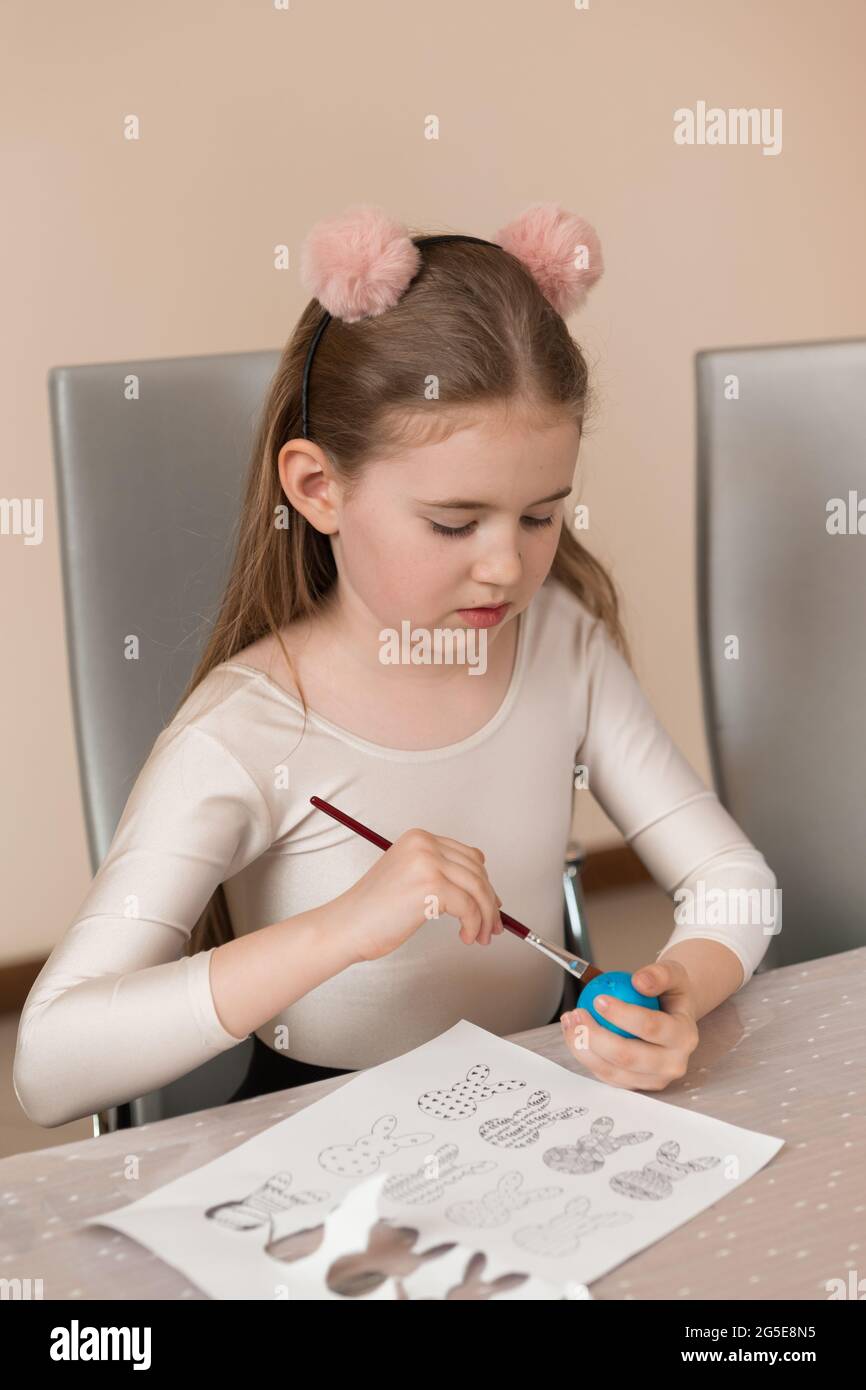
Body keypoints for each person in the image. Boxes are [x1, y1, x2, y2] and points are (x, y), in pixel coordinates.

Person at [14, 202, 777, 1128]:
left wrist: (682, 990)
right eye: (455, 523)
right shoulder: (246, 730)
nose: (507, 565)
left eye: (541, 515)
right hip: (315, 1142)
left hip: (535, 1109)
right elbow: (47, 1069)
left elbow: (736, 883)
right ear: (318, 487)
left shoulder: (563, 643)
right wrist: (339, 930)